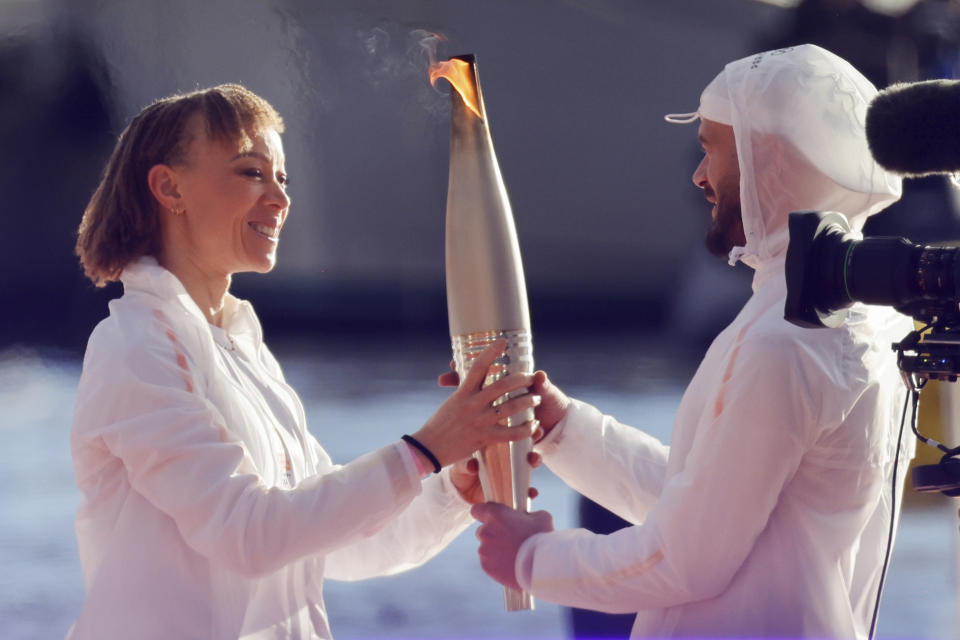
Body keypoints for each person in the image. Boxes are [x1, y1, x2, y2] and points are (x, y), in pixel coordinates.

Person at [470, 44, 915, 638]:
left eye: (710, 150)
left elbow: (689, 559)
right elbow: (712, 506)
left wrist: (531, 560)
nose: (698, 175)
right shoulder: (850, 318)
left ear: (769, 160)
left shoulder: (785, 339)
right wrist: (563, 432)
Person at [68, 84, 540, 639]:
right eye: (251, 173)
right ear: (169, 187)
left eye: (282, 179)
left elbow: (337, 545)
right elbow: (249, 534)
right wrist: (426, 449)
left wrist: (452, 488)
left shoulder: (243, 348)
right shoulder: (133, 348)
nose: (280, 198)